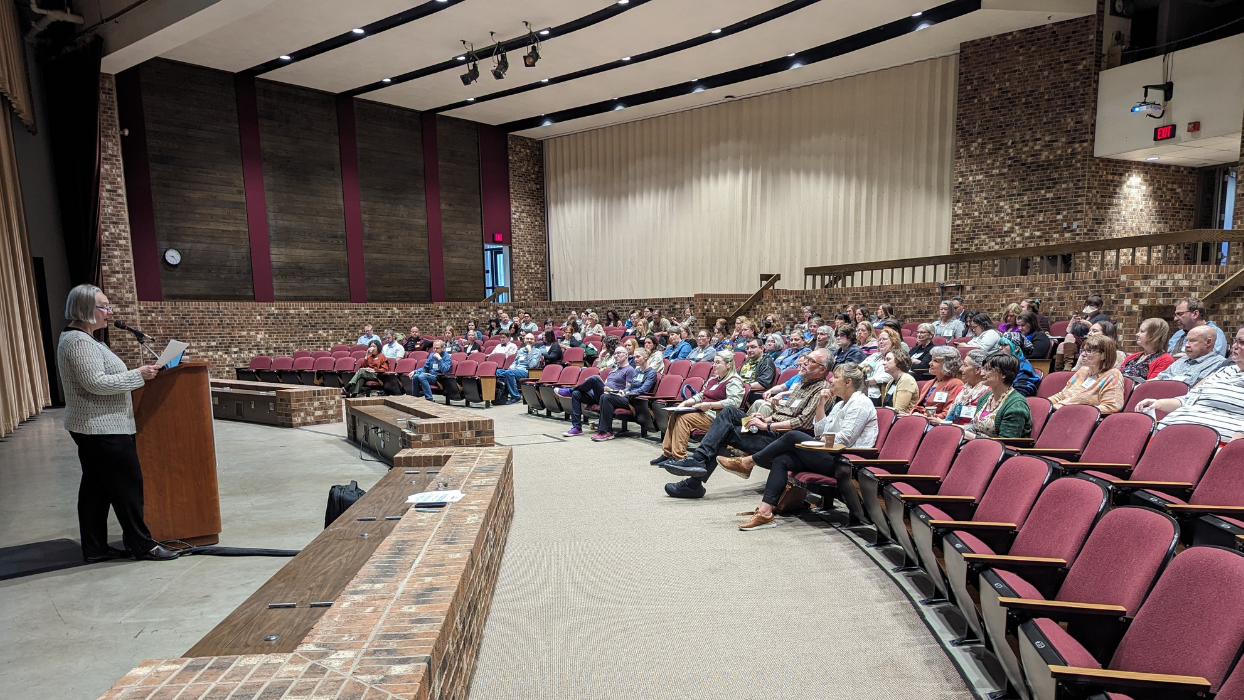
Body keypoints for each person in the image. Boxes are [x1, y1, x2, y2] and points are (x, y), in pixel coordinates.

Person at [57, 284, 177, 563]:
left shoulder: (88, 339)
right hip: (101, 427)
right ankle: (143, 545)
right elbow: (95, 383)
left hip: (98, 426)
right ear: (86, 309)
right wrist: (139, 375)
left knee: (96, 490)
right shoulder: (78, 341)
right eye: (104, 306)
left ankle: (95, 548)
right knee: (128, 486)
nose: (109, 312)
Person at [717, 362, 878, 531]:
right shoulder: (840, 404)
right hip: (831, 454)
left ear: (848, 382)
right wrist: (821, 404)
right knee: (782, 459)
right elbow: (820, 429)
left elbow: (845, 438)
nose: (831, 380)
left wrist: (821, 439)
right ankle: (765, 513)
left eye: (836, 377)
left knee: (793, 435)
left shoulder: (860, 403)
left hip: (847, 461)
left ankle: (749, 462)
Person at [662, 349, 833, 499]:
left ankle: (694, 480)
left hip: (781, 441)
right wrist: (765, 418)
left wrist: (765, 426)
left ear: (822, 369)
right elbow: (786, 413)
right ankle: (697, 466)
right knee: (729, 414)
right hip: (769, 428)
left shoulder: (822, 389)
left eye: (810, 361)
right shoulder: (802, 384)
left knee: (725, 430)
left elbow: (802, 422)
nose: (804, 363)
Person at [1138, 325, 1244, 443]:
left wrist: (1232, 450)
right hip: (1170, 434)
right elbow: (1189, 399)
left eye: (1242, 342)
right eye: (1236, 341)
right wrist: (1158, 403)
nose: (1235, 346)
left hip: (1209, 445)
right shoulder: (1224, 371)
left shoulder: (1216, 363)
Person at [560, 347, 638, 436]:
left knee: (594, 379)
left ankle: (570, 390)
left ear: (626, 355)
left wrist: (612, 391)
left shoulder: (630, 370)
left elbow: (627, 389)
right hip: (602, 395)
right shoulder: (614, 369)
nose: (616, 356)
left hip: (613, 396)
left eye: (619, 353)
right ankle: (577, 427)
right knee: (576, 394)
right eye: (615, 354)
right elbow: (606, 383)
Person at [1046, 335, 1124, 414]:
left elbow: (1112, 406)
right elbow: (1062, 395)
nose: (1082, 354)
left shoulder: (1112, 375)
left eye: (1089, 351)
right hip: (1059, 411)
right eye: (1083, 350)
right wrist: (1046, 404)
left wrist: (1070, 410)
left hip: (1079, 418)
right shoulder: (1083, 371)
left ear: (1104, 355)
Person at [591, 353, 659, 441]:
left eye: (638, 357)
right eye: (634, 357)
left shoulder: (651, 373)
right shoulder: (637, 370)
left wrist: (627, 394)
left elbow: (644, 389)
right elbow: (630, 386)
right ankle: (604, 431)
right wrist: (622, 391)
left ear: (646, 357)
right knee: (605, 396)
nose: (635, 359)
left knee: (607, 398)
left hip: (636, 401)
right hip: (628, 397)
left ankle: (606, 431)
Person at [964, 353, 1032, 440]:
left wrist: (972, 437)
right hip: (975, 446)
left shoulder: (1016, 405)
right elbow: (972, 427)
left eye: (988, 369)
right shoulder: (986, 397)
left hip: (1001, 452)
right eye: (983, 368)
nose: (982, 373)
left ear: (1004, 374)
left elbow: (1007, 443)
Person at [1154, 324, 1230, 387]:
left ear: (1208, 342)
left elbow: (1198, 391)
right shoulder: (1181, 360)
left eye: (1192, 341)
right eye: (1187, 341)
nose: (1186, 345)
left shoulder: (1220, 365)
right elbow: (1159, 378)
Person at [934, 349, 991, 426]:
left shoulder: (988, 393)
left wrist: (941, 422)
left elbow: (976, 427)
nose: (960, 369)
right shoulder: (961, 390)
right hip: (950, 428)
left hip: (969, 435)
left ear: (977, 369)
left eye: (965, 365)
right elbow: (948, 417)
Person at [912, 346, 964, 420]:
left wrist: (925, 416)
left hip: (936, 423)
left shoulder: (956, 384)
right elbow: (918, 406)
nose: (930, 363)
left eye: (935, 361)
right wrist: (913, 413)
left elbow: (947, 413)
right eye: (931, 360)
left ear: (947, 365)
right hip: (921, 419)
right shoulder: (929, 383)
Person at [1121, 318, 1174, 384]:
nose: (1137, 334)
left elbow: (1149, 386)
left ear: (1155, 335)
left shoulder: (1165, 360)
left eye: (1142, 331)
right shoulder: (1132, 357)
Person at [495, 333, 543, 404]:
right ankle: (500, 394)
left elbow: (532, 365)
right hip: (516, 370)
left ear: (534, 341)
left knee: (509, 373)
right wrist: (512, 366)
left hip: (526, 371)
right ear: (524, 340)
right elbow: (515, 362)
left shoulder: (536, 351)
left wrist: (530, 351)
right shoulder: (521, 350)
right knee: (496, 371)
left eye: (531, 339)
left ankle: (516, 396)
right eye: (527, 339)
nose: (529, 340)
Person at [873, 348, 918, 414]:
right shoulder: (891, 381)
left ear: (899, 361)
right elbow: (885, 407)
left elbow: (899, 410)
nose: (884, 363)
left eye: (888, 359)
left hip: (901, 420)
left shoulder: (906, 379)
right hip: (889, 416)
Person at [995, 333, 1041, 397]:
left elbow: (1021, 393)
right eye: (1000, 345)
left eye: (1004, 345)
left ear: (1016, 349)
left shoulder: (1024, 368)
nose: (1000, 348)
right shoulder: (1006, 365)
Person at [738, 338, 776, 402]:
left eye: (752, 347)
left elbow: (762, 384)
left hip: (750, 394)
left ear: (761, 348)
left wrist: (741, 387)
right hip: (740, 390)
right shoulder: (747, 362)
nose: (749, 350)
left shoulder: (766, 362)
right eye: (747, 348)